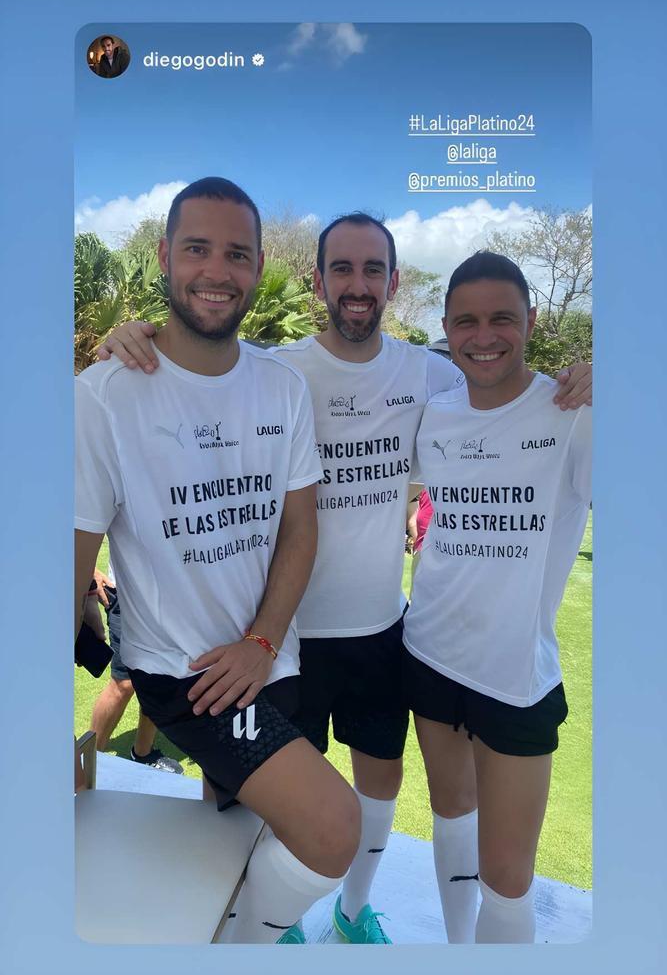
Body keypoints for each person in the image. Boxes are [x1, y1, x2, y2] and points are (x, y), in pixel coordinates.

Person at [98, 213, 591, 945]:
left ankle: (354, 913)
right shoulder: (275, 370)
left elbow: (504, 386)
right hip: (280, 634)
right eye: (341, 269)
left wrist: (603, 371)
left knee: (378, 786)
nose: (356, 286)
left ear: (393, 283)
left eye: (372, 271)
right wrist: (129, 335)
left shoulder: (435, 374)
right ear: (317, 279)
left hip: (386, 632)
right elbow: (189, 382)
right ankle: (269, 920)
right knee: (248, 799)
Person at [75, 177, 360, 944]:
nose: (216, 269)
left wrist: (262, 642)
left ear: (259, 266)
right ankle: (244, 947)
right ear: (165, 257)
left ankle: (232, 931)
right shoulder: (104, 395)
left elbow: (300, 530)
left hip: (272, 657)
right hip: (184, 674)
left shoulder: (282, 386)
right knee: (335, 828)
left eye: (236, 254)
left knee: (237, 828)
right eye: (197, 248)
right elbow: (68, 565)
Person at [403, 250, 592, 943]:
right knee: (450, 820)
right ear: (447, 330)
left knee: (508, 879)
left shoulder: (575, 411)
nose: (484, 336)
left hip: (515, 678)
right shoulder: (437, 415)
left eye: (502, 319)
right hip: (426, 650)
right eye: (467, 321)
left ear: (531, 321)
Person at [86, 568, 183, 772]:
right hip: (128, 595)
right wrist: (90, 572)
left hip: (174, 599)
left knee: (158, 677)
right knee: (124, 683)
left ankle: (143, 754)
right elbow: (73, 536)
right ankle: (86, 765)